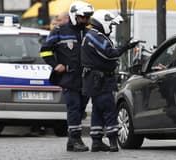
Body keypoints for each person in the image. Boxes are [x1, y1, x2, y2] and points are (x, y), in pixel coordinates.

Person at [80, 10, 139, 152]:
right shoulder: (94, 36)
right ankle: (113, 142)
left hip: (97, 79)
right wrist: (126, 47)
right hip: (100, 80)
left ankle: (97, 141)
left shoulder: (94, 35)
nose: (111, 28)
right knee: (109, 109)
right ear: (103, 22)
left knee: (98, 111)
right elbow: (109, 54)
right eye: (111, 25)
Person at [39, 1, 94, 152]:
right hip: (68, 78)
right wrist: (55, 65)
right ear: (74, 16)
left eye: (88, 17)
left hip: (85, 78)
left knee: (81, 109)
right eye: (83, 17)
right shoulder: (59, 31)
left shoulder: (90, 33)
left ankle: (71, 141)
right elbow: (45, 50)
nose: (85, 20)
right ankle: (76, 139)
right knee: (74, 108)